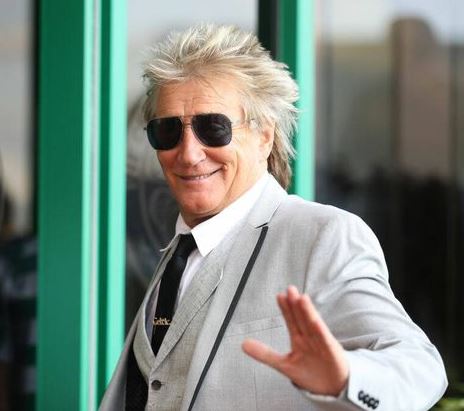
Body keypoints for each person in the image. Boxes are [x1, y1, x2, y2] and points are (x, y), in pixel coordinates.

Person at [100, 24, 447, 411]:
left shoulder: (321, 236)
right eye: (167, 130)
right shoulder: (180, 251)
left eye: (213, 128)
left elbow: (419, 367)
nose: (189, 153)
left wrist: (346, 378)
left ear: (264, 136)